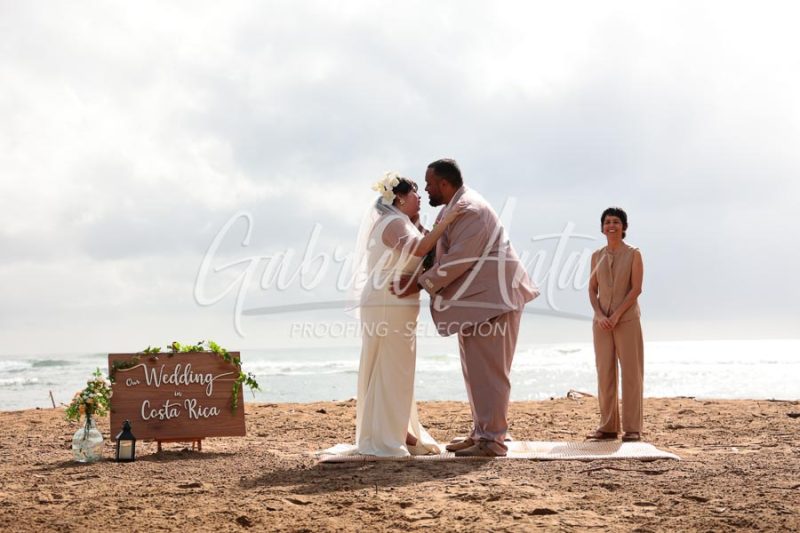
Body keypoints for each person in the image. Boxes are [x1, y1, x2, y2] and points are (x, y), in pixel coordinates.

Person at [394, 159, 538, 457]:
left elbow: (460, 259)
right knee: (476, 371)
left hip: (495, 300)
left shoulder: (470, 209)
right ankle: (481, 432)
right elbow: (434, 246)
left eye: (429, 184)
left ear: (444, 184)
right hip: (476, 303)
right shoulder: (452, 208)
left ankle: (492, 440)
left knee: (491, 372)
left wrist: (420, 283)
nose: (426, 190)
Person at [353, 171, 465, 457]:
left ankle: (398, 429)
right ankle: (391, 433)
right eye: (416, 193)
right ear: (400, 199)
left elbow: (423, 251)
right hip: (387, 301)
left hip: (398, 303)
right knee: (391, 365)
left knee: (395, 367)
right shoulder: (392, 223)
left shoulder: (402, 222)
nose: (420, 198)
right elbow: (417, 248)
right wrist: (446, 221)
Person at [587, 207, 645, 442]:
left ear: (624, 227)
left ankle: (632, 429)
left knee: (631, 372)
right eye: (608, 222)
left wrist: (618, 314)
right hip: (602, 324)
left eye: (616, 222)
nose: (612, 225)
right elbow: (592, 290)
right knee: (605, 373)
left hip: (627, 320)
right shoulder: (596, 255)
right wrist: (600, 315)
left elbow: (636, 289)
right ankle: (608, 426)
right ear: (602, 227)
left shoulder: (634, 254)